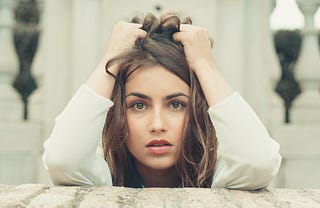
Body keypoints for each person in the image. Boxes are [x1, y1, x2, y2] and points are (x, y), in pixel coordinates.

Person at [42, 12, 281, 189]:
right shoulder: (102, 181)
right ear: (118, 114)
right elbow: (61, 159)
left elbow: (258, 162)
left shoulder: (220, 180)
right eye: (139, 105)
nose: (157, 124)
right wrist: (110, 61)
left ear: (197, 109)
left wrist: (206, 68)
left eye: (176, 105)